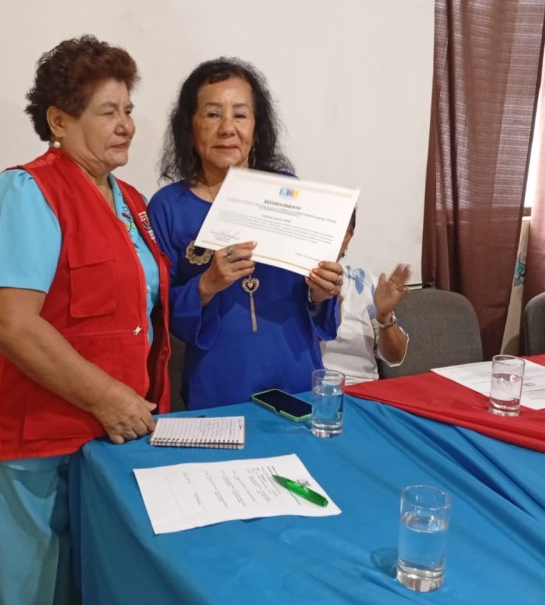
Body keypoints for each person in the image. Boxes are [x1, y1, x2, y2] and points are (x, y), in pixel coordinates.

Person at [0, 35, 171, 605]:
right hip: (36, 436)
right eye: (108, 112)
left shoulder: (130, 200)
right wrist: (108, 397)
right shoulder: (27, 191)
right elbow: (8, 320)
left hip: (110, 435)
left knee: (96, 596)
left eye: (128, 109)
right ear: (59, 121)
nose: (126, 125)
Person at [148, 57, 342, 409]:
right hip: (217, 386)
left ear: (257, 128)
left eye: (240, 115)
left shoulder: (288, 191)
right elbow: (159, 313)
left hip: (296, 378)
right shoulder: (168, 207)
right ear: (189, 129)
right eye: (212, 114)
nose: (227, 128)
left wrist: (321, 291)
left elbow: (315, 301)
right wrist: (207, 284)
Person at [321, 208, 412, 383]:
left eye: (338, 228)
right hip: (306, 390)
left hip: (361, 389)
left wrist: (384, 317)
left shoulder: (364, 284)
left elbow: (396, 357)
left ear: (349, 237)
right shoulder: (282, 285)